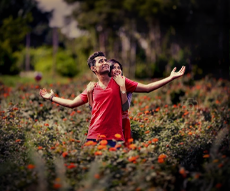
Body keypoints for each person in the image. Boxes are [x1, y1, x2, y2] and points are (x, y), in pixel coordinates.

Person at [40, 51, 185, 146]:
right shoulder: (92, 87)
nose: (104, 62)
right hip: (94, 136)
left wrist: (170, 78)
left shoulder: (120, 81)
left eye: (105, 60)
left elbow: (147, 88)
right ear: (93, 68)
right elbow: (72, 103)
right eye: (100, 61)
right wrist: (51, 97)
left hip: (115, 138)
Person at [87, 59, 132, 145]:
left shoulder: (124, 83)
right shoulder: (97, 86)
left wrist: (122, 86)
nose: (117, 70)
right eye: (114, 68)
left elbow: (125, 107)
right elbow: (93, 109)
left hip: (122, 126)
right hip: (101, 131)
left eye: (119, 67)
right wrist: (89, 93)